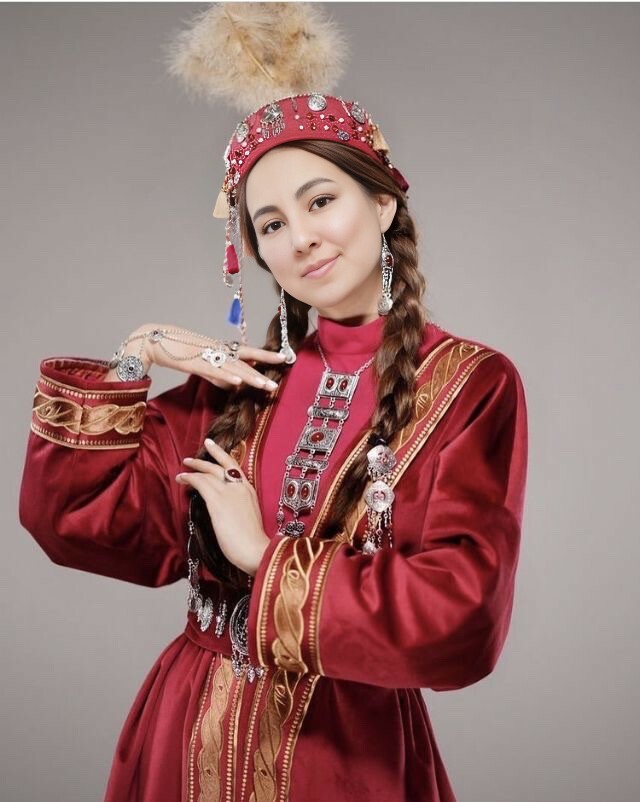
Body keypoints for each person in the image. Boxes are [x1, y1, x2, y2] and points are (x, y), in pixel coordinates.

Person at [19, 93, 528, 802]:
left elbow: (461, 616)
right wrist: (137, 354)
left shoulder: (469, 385)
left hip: (347, 754)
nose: (301, 239)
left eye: (321, 202)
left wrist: (264, 556)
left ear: (383, 203)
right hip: (186, 734)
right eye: (272, 225)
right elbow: (73, 519)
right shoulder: (240, 387)